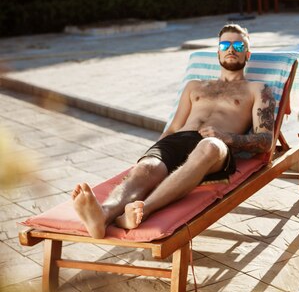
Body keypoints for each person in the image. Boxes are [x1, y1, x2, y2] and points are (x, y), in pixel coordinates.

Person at [72, 24, 276, 239]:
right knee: (148, 167)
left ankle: (143, 209)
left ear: (247, 53)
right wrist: (150, 156)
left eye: (238, 44)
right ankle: (102, 215)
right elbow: (173, 128)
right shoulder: (195, 86)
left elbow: (265, 141)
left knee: (209, 146)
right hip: (177, 140)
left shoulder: (257, 90)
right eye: (225, 44)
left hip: (216, 145)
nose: (231, 49)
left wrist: (228, 138)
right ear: (218, 52)